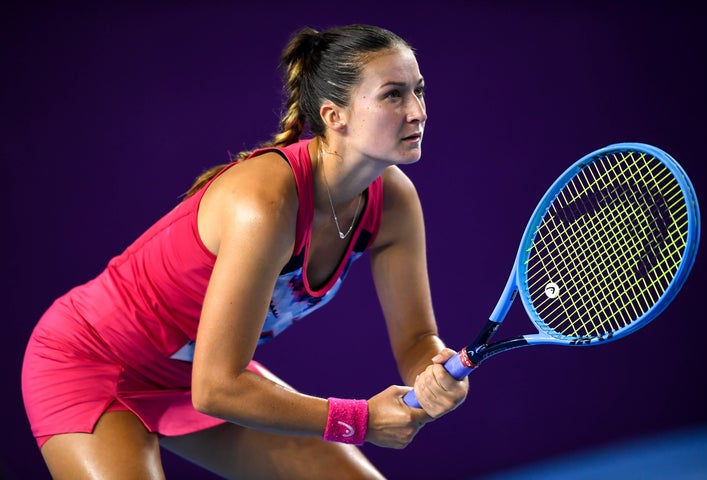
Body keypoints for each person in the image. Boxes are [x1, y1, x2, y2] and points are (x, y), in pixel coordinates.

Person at [21, 23, 469, 479]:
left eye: (419, 90)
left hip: (194, 374)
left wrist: (433, 374)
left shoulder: (393, 202)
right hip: (90, 361)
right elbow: (217, 388)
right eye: (394, 95)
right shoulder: (266, 203)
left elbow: (416, 341)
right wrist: (359, 420)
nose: (418, 112)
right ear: (336, 115)